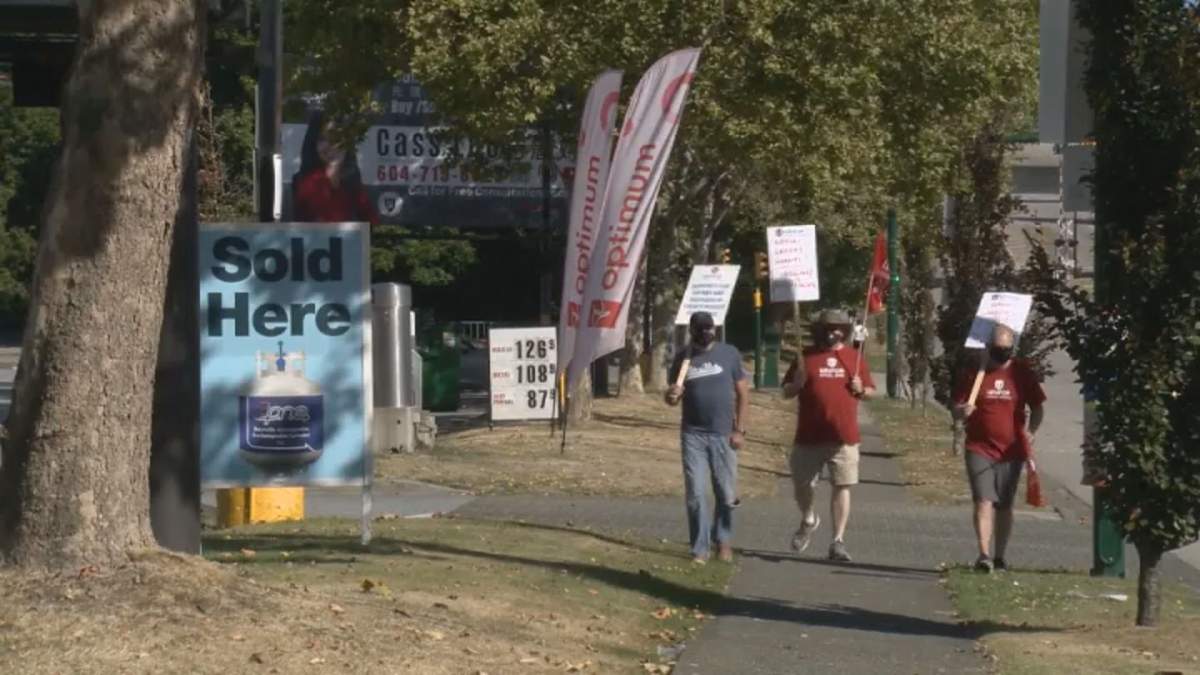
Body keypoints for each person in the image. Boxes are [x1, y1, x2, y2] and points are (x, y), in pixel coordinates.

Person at [783, 308, 875, 562]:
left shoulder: (854, 358)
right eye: (828, 328)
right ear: (819, 331)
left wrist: (861, 389)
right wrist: (797, 384)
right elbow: (786, 391)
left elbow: (870, 391)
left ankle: (838, 541)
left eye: (838, 328)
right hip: (808, 435)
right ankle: (808, 518)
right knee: (802, 485)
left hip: (843, 437)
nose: (833, 333)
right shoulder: (805, 357)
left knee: (842, 486)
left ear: (845, 331)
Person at [953, 324, 1045, 573]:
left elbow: (1037, 407)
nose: (1002, 353)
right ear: (988, 347)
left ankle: (1000, 556)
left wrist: (1031, 431)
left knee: (1004, 504)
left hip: (1011, 450)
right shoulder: (975, 373)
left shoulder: (1021, 373)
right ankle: (984, 554)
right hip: (979, 447)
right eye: (997, 348)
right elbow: (956, 407)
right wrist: (962, 411)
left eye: (1006, 349)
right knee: (984, 500)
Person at [666, 312, 750, 564]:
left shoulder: (729, 354)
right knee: (696, 493)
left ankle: (722, 540)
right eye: (701, 329)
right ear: (692, 331)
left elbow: (743, 394)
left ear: (714, 329)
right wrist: (671, 395)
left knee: (725, 492)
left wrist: (740, 430)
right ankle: (700, 549)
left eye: (709, 328)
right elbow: (672, 397)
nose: (706, 333)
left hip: (723, 434)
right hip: (693, 435)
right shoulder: (684, 357)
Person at [292, 110, 380, 225]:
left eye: (336, 138)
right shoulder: (305, 182)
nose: (328, 145)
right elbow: (325, 220)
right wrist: (333, 168)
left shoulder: (352, 179)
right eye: (322, 139)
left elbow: (372, 221)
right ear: (313, 143)